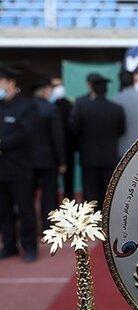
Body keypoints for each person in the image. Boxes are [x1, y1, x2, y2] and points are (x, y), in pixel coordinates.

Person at [0, 66, 38, 262]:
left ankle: (30, 246)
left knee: (25, 209)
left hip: (20, 167)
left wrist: (1, 144)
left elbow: (25, 134)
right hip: (1, 168)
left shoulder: (27, 106)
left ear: (10, 83)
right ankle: (9, 246)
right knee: (3, 210)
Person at [71, 73, 125, 204]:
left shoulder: (82, 106)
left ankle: (90, 217)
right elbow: (121, 130)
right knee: (107, 193)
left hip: (88, 156)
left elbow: (74, 128)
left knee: (90, 194)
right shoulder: (116, 109)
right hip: (109, 156)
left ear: (91, 87)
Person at [32, 76, 66, 232]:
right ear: (46, 90)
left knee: (28, 195)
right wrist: (62, 161)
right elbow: (57, 138)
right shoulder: (51, 109)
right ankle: (48, 226)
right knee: (49, 194)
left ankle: (31, 225)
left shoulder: (26, 108)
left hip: (28, 160)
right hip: (48, 159)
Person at [51, 76, 75, 200]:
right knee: (51, 181)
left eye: (59, 85)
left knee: (68, 178)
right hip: (52, 148)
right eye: (55, 86)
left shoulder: (70, 104)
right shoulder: (49, 105)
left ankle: (68, 201)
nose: (58, 88)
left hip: (68, 146)